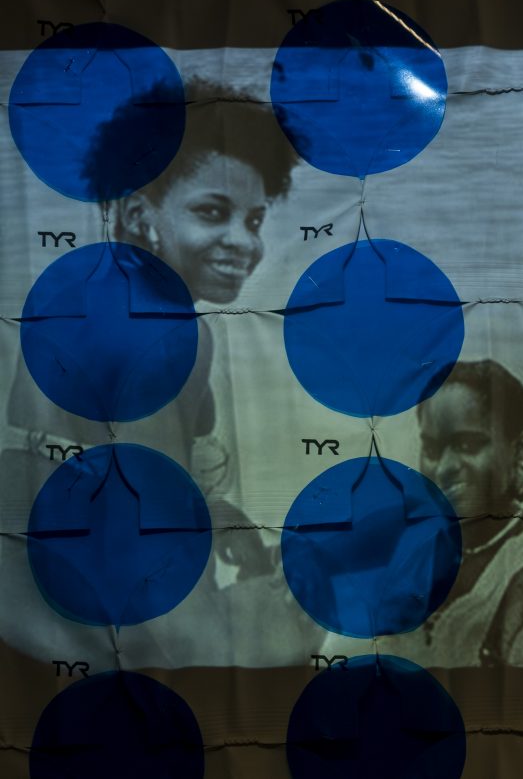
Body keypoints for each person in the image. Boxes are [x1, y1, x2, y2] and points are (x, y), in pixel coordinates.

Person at [0, 78, 324, 667]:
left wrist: (215, 514)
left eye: (253, 220)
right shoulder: (151, 328)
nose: (244, 244)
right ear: (139, 213)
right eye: (211, 212)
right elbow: (163, 586)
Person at [384, 360, 523, 667]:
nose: (446, 468)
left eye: (468, 445)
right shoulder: (408, 551)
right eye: (433, 449)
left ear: (521, 449)